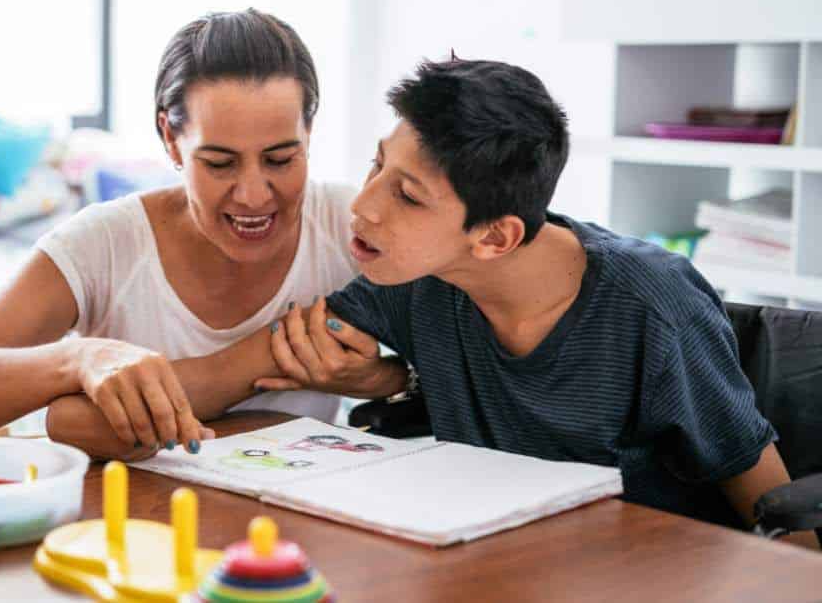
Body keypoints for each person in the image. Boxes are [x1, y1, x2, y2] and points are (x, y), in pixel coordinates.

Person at [257, 56, 818, 549]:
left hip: (652, 572)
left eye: (407, 195)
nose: (365, 203)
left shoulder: (653, 307)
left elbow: (776, 511)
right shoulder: (417, 273)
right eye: (377, 164)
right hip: (504, 557)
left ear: (494, 237)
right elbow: (249, 364)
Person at [0, 9, 400, 460]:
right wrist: (77, 359)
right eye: (219, 163)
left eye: (280, 159)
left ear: (309, 133)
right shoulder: (105, 244)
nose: (252, 195)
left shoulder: (351, 226)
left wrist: (386, 379)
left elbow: (443, 363)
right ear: (170, 139)